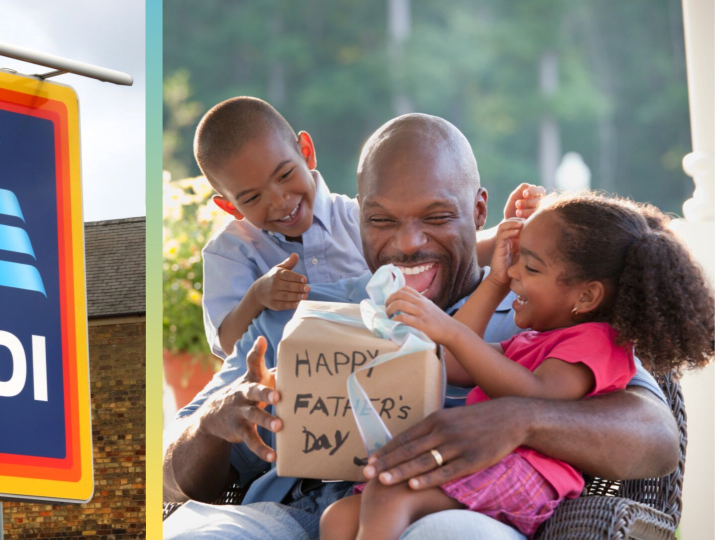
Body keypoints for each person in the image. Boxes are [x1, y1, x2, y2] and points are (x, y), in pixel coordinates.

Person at [163, 113, 680, 540]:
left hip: (453, 512)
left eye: (435, 217)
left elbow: (656, 439)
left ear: (479, 211)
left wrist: (520, 419)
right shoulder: (305, 312)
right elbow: (170, 477)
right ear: (358, 218)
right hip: (291, 517)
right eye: (382, 220)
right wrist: (213, 421)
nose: (408, 243)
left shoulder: (540, 317)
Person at [319, 193, 715, 539]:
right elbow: (456, 363)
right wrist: (494, 284)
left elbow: (537, 396)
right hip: (493, 465)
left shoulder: (597, 343)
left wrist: (451, 332)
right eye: (517, 261)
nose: (514, 274)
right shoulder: (533, 341)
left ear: (587, 295)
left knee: (389, 492)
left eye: (532, 267)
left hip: (527, 474)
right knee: (340, 517)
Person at [195, 96, 543, 357]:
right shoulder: (233, 252)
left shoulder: (353, 217)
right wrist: (257, 297)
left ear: (307, 151)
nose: (279, 201)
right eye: (253, 197)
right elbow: (228, 346)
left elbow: (446, 252)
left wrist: (511, 231)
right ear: (230, 206)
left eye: (285, 175)